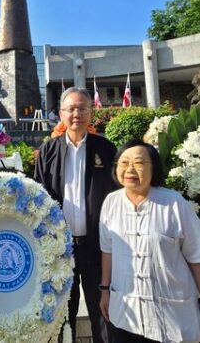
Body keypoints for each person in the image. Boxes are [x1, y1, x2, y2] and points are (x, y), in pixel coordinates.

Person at [35, 87, 116, 343]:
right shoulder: (48, 151)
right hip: (61, 250)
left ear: (91, 112)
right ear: (61, 113)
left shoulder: (106, 149)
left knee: (102, 313)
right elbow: (38, 199)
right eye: (70, 109)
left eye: (82, 108)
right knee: (61, 317)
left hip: (96, 248)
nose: (76, 113)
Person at [99, 139, 200, 343]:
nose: (130, 169)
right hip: (127, 313)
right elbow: (107, 251)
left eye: (139, 163)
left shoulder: (173, 203)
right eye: (124, 163)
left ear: (153, 168)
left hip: (172, 312)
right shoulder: (111, 202)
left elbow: (196, 254)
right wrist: (104, 290)